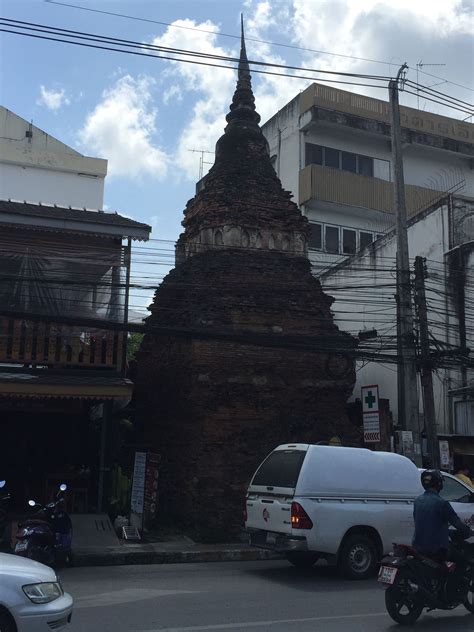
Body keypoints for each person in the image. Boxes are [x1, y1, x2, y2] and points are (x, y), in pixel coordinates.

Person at [412, 469, 471, 561]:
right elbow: (457, 523)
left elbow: (426, 523)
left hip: (418, 546)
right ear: (439, 484)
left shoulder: (417, 501)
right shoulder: (441, 503)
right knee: (462, 560)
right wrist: (468, 531)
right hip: (437, 549)